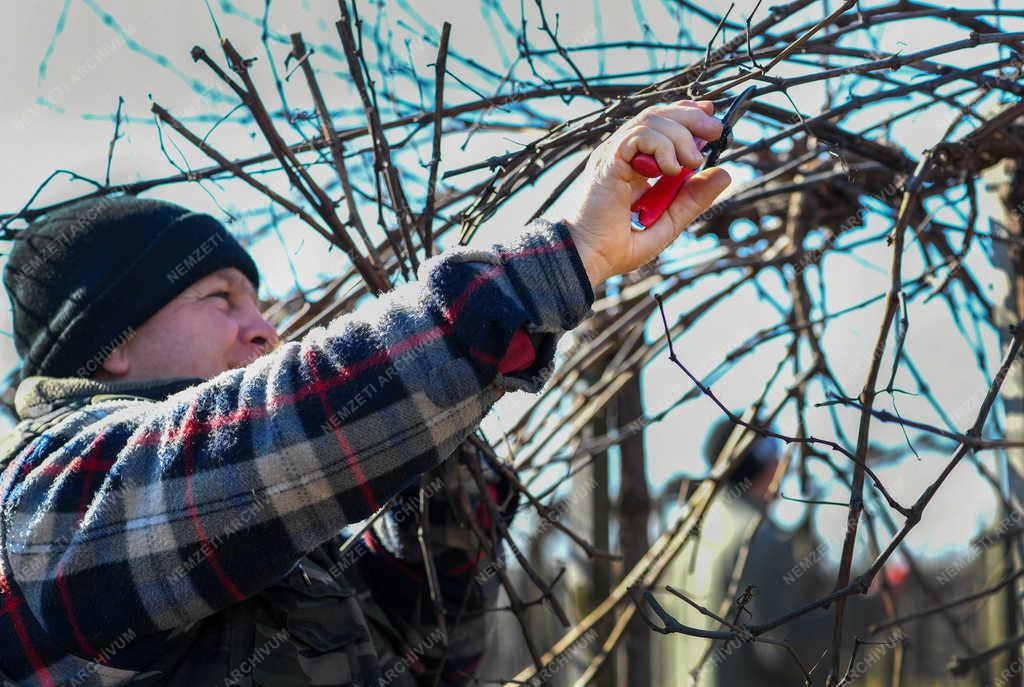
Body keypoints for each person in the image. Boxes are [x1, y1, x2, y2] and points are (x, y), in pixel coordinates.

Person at [0, 101, 728, 686]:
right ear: (113, 344)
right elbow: (258, 442)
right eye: (220, 298)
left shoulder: (285, 553)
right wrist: (565, 261)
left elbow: (428, 655)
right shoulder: (48, 502)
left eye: (259, 303)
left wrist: (439, 461)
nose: (262, 330)